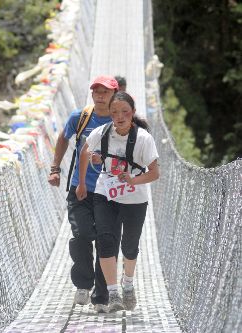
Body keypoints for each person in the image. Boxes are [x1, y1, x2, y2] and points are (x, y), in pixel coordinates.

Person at [76, 91, 160, 312]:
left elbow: (154, 173)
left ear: (132, 113)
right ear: (110, 114)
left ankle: (128, 284)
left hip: (135, 199)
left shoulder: (143, 138)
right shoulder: (101, 133)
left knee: (130, 247)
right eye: (114, 113)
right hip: (106, 195)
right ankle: (113, 293)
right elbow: (84, 152)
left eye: (124, 112)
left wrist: (134, 179)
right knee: (105, 240)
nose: (119, 116)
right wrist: (82, 182)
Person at [48, 75, 120, 313]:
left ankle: (101, 297)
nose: (100, 96)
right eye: (96, 92)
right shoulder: (80, 118)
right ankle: (83, 284)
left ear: (114, 95)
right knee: (81, 235)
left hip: (109, 193)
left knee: (105, 241)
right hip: (79, 189)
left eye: (105, 92)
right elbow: (63, 139)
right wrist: (55, 169)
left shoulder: (121, 120)